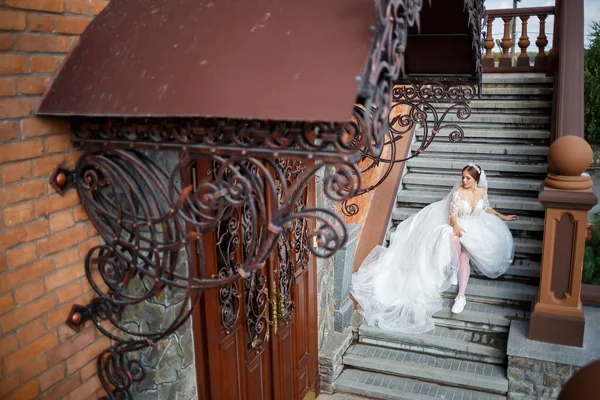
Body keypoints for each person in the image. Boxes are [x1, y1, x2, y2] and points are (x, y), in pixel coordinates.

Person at [351, 163, 516, 334]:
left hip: (474, 227)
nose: (464, 180)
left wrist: (503, 216)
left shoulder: (481, 192)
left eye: (468, 178)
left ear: (476, 180)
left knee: (465, 256)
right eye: (463, 177)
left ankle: (461, 296)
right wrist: (456, 227)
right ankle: (454, 271)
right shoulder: (458, 193)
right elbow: (452, 216)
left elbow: (487, 209)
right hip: (458, 225)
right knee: (452, 238)